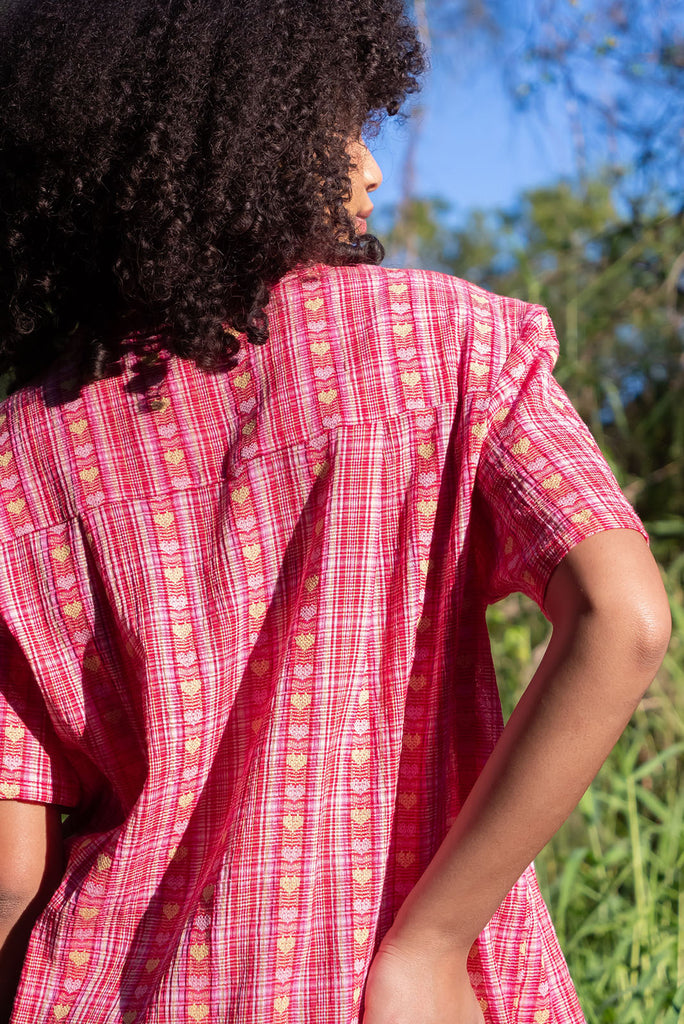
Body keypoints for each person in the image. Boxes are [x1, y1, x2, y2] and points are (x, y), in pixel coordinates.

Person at [0, 1, 671, 1022]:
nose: (366, 168)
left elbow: (13, 860)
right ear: (250, 126)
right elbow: (624, 617)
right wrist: (433, 940)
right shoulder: (447, 348)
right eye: (345, 123)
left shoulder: (25, 450)